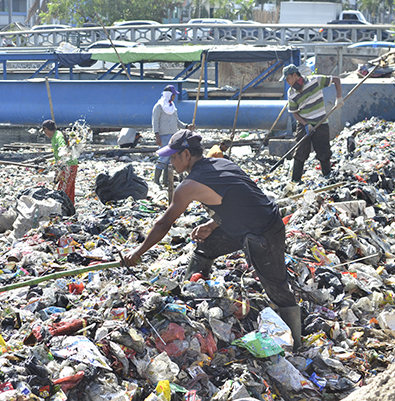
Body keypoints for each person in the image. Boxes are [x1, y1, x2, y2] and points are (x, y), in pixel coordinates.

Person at [123, 130, 302, 350]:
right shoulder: (222, 163)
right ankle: (192, 294)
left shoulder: (188, 186)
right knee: (205, 246)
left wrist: (137, 253)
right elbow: (237, 200)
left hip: (263, 231)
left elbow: (163, 224)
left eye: (174, 156)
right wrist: (212, 225)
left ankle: (297, 344)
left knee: (276, 287)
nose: (171, 161)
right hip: (247, 225)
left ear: (187, 154)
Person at [280, 64, 343, 182]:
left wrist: (339, 98)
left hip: (321, 122)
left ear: (295, 75)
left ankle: (327, 178)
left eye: (288, 78)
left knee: (323, 152)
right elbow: (295, 113)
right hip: (304, 124)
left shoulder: (315, 81)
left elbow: (336, 80)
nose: (287, 81)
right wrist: (305, 124)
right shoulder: (291, 93)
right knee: (300, 153)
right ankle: (295, 181)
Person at [152, 85, 192, 186]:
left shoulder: (172, 107)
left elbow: (176, 121)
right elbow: (155, 121)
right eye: (173, 95)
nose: (174, 97)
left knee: (170, 159)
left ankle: (166, 181)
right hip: (163, 135)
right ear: (169, 95)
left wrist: (186, 126)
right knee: (163, 158)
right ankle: (156, 180)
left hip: (173, 135)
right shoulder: (159, 106)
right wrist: (156, 135)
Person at [42, 119, 78, 204]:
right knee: (68, 188)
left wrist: (62, 164)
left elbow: (63, 149)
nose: (45, 133)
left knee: (64, 189)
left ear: (46, 129)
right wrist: (57, 170)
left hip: (68, 165)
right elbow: (57, 155)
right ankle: (69, 207)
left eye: (44, 130)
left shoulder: (58, 136)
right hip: (66, 165)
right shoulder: (54, 137)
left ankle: (63, 206)